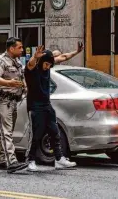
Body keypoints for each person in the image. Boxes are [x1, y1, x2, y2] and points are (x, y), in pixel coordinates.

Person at [24, 42, 83, 172]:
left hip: (47, 105)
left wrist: (77, 51)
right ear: (41, 61)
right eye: (46, 64)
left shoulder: (48, 64)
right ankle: (30, 160)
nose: (48, 67)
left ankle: (59, 159)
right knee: (36, 134)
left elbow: (64, 57)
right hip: (35, 106)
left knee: (54, 132)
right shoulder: (32, 70)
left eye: (50, 65)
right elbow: (30, 64)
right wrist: (35, 56)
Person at [0, 37, 28, 174]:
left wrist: (24, 88)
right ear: (11, 48)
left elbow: (21, 79)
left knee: (5, 132)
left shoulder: (17, 62)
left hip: (13, 101)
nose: (22, 50)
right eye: (20, 47)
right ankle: (12, 161)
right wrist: (9, 83)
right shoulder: (0, 60)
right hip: (3, 100)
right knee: (6, 132)